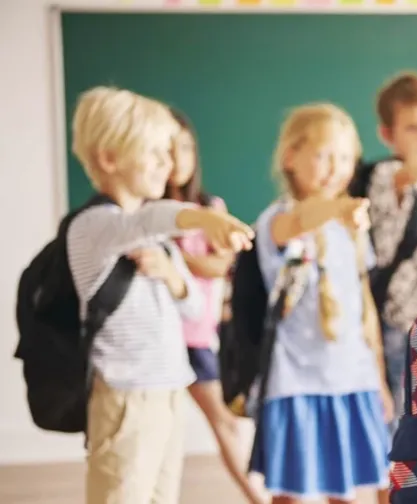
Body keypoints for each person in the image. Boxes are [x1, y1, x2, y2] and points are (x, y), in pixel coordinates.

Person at [67, 86, 253, 504]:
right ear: (110, 159)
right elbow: (149, 219)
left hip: (168, 390)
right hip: (125, 396)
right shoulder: (95, 226)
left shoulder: (160, 239)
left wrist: (173, 275)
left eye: (169, 152)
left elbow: (192, 306)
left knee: (160, 497)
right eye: (154, 152)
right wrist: (203, 218)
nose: (167, 164)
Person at [249, 103, 393, 504]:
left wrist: (378, 378)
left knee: (345, 490)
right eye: (324, 154)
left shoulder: (349, 227)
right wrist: (340, 208)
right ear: (290, 157)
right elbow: (300, 221)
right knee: (291, 493)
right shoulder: (277, 220)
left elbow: (364, 306)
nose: (336, 167)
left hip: (352, 377)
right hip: (296, 381)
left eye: (346, 157)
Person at [164, 107, 269, 504]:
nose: (178, 159)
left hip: (199, 336)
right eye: (169, 149)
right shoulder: (146, 214)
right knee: (174, 426)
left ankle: (258, 497)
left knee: (225, 422)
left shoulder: (210, 207)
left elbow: (223, 262)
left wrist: (173, 259)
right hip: (159, 338)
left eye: (186, 148)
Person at [348, 71, 417, 432]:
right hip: (396, 324)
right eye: (412, 128)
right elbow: (404, 173)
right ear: (387, 134)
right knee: (398, 429)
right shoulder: (387, 174)